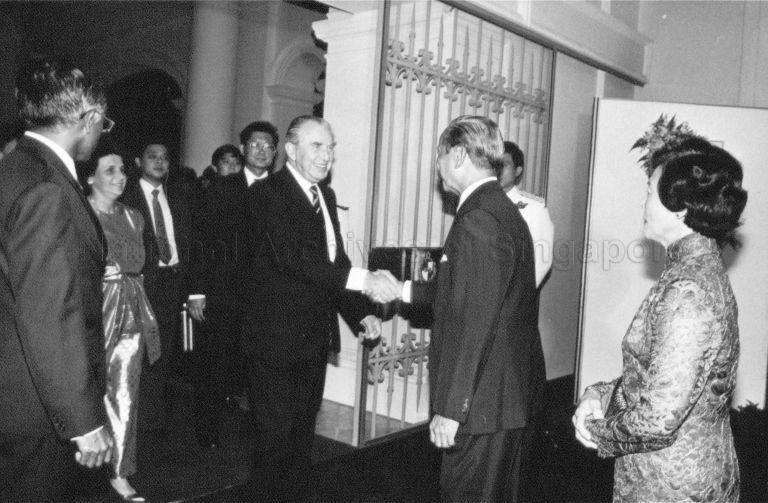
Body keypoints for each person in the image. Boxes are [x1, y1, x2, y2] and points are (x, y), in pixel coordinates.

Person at [573, 136, 747, 502]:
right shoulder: (695, 271)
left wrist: (596, 429)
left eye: (650, 191)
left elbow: (658, 420)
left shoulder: (688, 291)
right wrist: (600, 395)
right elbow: (661, 375)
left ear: (681, 209)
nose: (645, 203)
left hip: (671, 487)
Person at [240, 115, 395, 501]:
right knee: (274, 439)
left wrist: (361, 313)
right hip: (272, 339)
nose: (327, 156)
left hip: (311, 338)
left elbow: (335, 262)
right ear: (291, 150)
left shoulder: (324, 195)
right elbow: (297, 259)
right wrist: (366, 280)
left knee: (301, 436)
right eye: (317, 146)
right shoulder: (268, 194)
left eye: (331, 147)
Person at [392, 116, 546, 502]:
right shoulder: (501, 208)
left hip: (480, 405)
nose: (438, 166)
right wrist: (402, 288)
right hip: (501, 400)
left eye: (440, 156)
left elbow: (475, 322)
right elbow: (469, 292)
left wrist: (451, 408)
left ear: (458, 154)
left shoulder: (478, 216)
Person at [0, 56, 114, 501]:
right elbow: (51, 314)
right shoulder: (48, 187)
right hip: (37, 406)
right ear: (86, 119)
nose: (101, 132)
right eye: (102, 122)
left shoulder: (12, 168)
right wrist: (82, 420)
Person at [81, 139, 161, 502]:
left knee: (125, 393)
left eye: (121, 169)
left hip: (131, 309)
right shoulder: (80, 213)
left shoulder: (134, 216)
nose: (119, 177)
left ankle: (119, 471)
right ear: (89, 178)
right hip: (91, 310)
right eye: (108, 170)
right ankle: (79, 465)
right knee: (84, 390)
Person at [120, 142, 202, 435]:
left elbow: (191, 246)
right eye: (152, 157)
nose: (159, 162)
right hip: (140, 286)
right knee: (135, 354)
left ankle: (153, 423)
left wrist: (193, 292)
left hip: (172, 285)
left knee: (162, 356)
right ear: (138, 161)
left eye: (165, 158)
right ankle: (130, 423)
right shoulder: (126, 197)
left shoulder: (179, 197)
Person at [499, 140, 554, 287]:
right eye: (494, 164)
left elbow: (542, 260)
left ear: (518, 171)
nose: (498, 170)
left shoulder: (533, 208)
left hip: (514, 297)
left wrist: (519, 294)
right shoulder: (481, 202)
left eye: (504, 165)